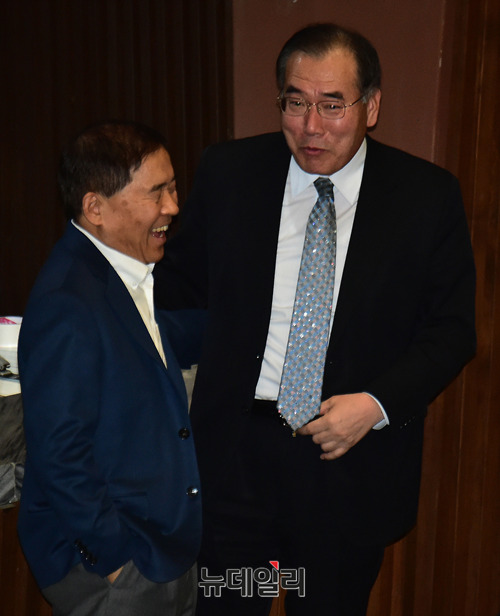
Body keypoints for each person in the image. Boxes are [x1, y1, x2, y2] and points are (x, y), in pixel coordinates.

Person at [154, 23, 476, 616]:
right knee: (229, 604)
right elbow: (176, 289)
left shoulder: (424, 197)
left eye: (332, 105)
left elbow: (452, 330)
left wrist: (375, 404)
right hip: (237, 461)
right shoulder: (231, 173)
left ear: (371, 107)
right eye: (295, 102)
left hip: (346, 464)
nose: (310, 126)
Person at [18, 121, 202, 616]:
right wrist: (116, 559)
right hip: (116, 569)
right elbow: (60, 454)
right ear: (95, 207)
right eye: (156, 193)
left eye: (173, 187)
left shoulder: (119, 272)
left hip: (160, 548)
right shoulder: (68, 302)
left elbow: (149, 342)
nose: (172, 207)